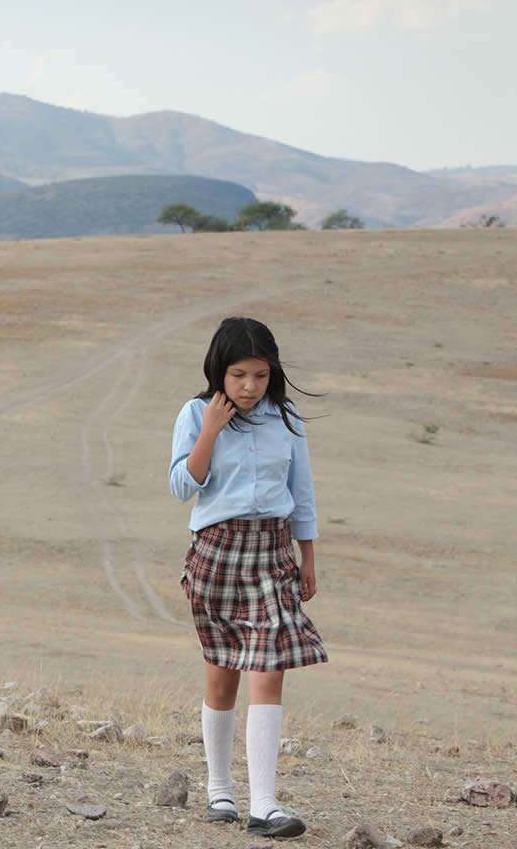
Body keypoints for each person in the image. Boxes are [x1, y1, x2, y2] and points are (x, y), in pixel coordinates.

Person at [168, 317, 327, 840]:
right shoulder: (195, 413)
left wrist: (308, 558)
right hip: (216, 555)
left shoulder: (287, 417)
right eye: (239, 374)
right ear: (220, 370)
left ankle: (265, 805)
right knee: (222, 676)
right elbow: (181, 486)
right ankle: (220, 790)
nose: (250, 387)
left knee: (271, 671)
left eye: (260, 375)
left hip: (274, 554)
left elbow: (301, 493)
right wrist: (212, 429)